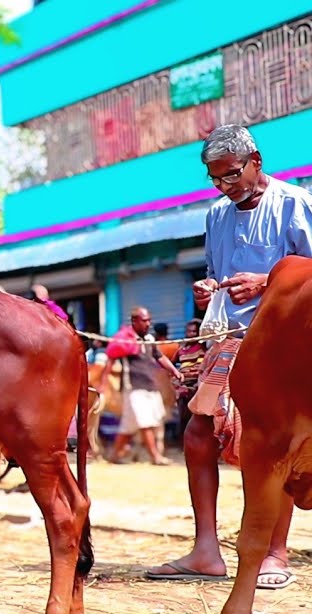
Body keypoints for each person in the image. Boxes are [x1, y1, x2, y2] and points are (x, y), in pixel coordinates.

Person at [146, 124, 312, 589]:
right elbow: (216, 275)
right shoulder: (217, 215)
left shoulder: (297, 203)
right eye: (215, 178)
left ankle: (274, 555)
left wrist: (267, 283)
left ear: (256, 161)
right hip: (229, 337)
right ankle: (206, 551)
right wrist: (206, 290)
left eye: (232, 175)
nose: (224, 186)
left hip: (282, 341)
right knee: (200, 433)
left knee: (275, 444)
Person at [99, 308, 181, 466]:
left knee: (128, 427)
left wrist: (174, 370)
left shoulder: (150, 339)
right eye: (144, 321)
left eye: (149, 320)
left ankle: (114, 455)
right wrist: (103, 382)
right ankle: (155, 456)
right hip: (134, 388)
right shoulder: (126, 339)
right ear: (134, 321)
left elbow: (160, 357)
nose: (148, 324)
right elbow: (110, 358)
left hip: (150, 386)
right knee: (145, 423)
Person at [172, 318, 207, 442]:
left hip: (197, 385)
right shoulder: (181, 349)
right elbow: (171, 365)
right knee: (182, 414)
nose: (191, 334)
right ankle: (182, 440)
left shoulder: (203, 347)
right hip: (182, 385)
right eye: (189, 332)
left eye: (194, 332)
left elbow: (204, 367)